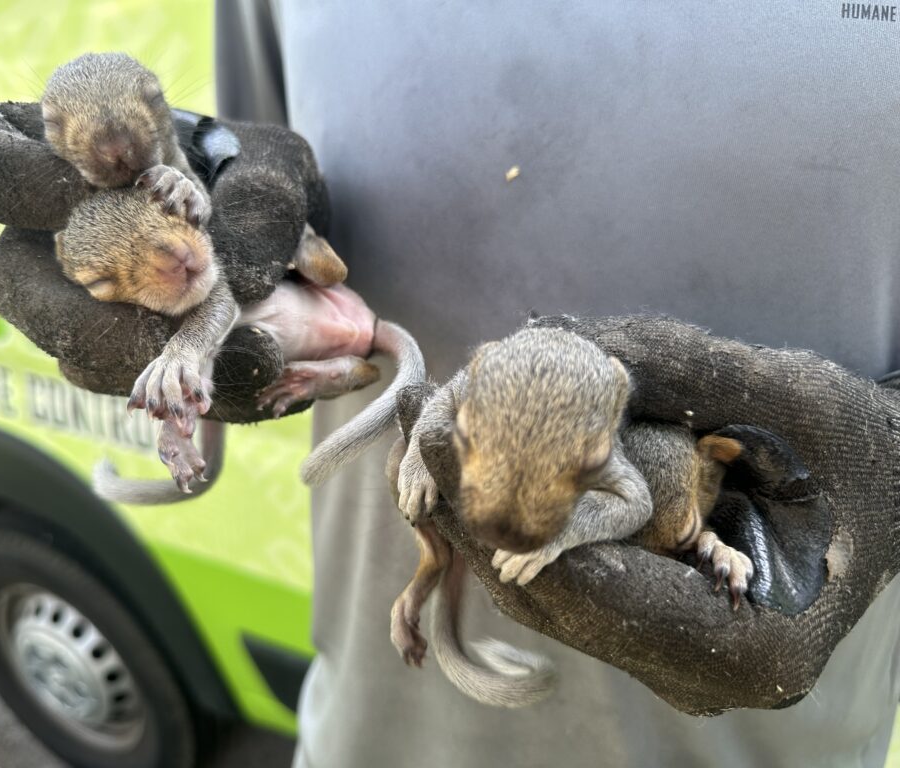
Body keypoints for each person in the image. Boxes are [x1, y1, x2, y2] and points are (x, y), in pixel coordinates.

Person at [217, 3, 900, 766]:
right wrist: (203, 273)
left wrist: (889, 461)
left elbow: (632, 495)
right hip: (372, 730)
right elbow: (259, 216)